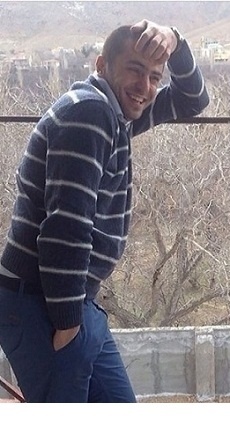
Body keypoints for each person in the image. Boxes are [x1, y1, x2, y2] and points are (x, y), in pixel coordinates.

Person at [0, 19, 209, 402]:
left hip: (67, 298)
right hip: (42, 302)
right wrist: (68, 327)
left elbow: (192, 100)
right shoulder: (90, 115)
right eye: (135, 70)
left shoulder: (114, 114)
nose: (145, 86)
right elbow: (66, 227)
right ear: (102, 65)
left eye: (154, 76)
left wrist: (175, 42)